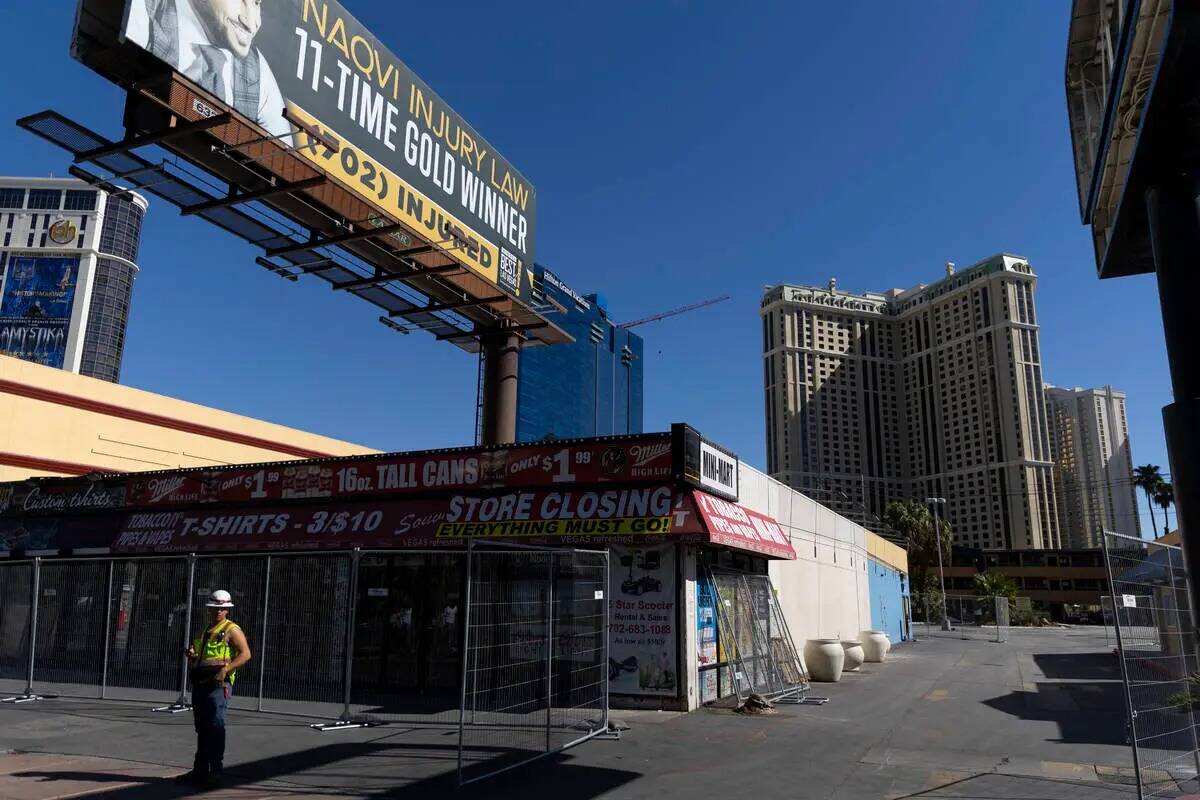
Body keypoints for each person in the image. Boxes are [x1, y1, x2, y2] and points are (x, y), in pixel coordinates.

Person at [124, 0, 293, 146]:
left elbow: (286, 165)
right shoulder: (144, 10)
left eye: (256, 3)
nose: (252, 23)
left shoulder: (258, 72)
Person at [176, 589, 251, 789]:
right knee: (202, 728)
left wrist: (226, 669)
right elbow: (201, 656)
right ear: (209, 608)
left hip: (219, 685)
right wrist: (192, 655)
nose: (218, 611)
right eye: (215, 608)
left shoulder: (232, 630)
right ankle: (200, 771)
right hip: (201, 683)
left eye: (222, 608)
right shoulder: (204, 630)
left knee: (216, 727)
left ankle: (215, 773)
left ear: (227, 609)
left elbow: (245, 654)